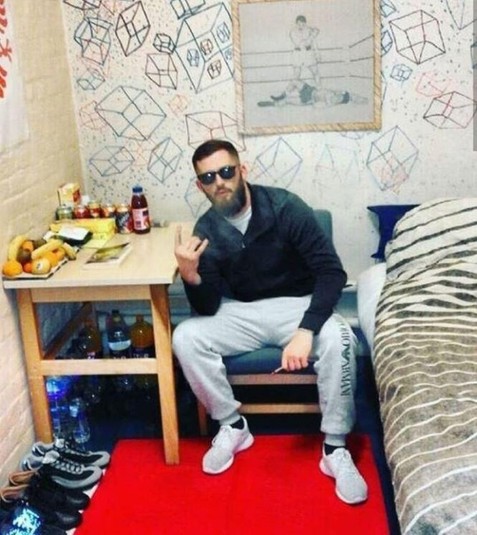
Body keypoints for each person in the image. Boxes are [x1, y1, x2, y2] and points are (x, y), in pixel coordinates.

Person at [172, 139, 368, 505]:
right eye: (209, 177)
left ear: (242, 170)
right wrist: (191, 275)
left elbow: (331, 273)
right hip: (240, 311)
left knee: (341, 336)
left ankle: (335, 446)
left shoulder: (285, 207)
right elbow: (207, 306)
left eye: (226, 171)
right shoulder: (207, 228)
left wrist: (306, 330)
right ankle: (232, 425)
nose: (220, 182)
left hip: (296, 305)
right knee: (184, 336)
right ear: (200, 185)